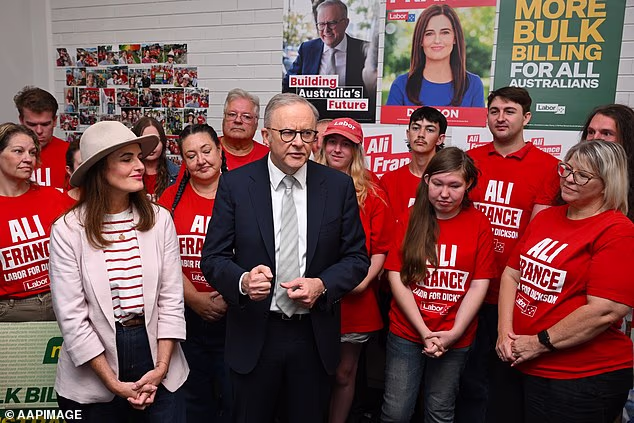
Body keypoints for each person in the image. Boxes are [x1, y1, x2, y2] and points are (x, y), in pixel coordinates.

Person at [200, 93, 369, 423]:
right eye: (288, 133)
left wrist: (322, 285)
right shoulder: (236, 185)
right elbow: (213, 258)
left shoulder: (337, 186)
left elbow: (356, 258)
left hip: (313, 336)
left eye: (307, 133)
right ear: (266, 136)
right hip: (255, 333)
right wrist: (242, 281)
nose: (298, 143)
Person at [48, 121, 188, 422]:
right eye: (127, 159)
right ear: (100, 169)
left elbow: (171, 300)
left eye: (139, 157)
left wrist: (161, 368)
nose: (140, 166)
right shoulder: (68, 230)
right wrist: (113, 383)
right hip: (94, 369)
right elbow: (72, 318)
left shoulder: (160, 220)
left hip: (158, 352)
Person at [496, 140, 634, 423]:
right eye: (566, 169)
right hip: (520, 362)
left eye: (582, 175)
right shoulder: (546, 217)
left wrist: (538, 343)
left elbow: (606, 310)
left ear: (606, 184)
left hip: (578, 377)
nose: (569, 179)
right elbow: (511, 274)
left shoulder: (617, 230)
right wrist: (504, 333)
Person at [455, 87, 561, 423]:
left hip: (513, 296)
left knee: (505, 383)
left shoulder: (548, 167)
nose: (501, 118)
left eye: (510, 111)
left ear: (526, 117)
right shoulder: (468, 160)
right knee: (466, 380)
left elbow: (539, 236)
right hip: (465, 289)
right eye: (495, 111)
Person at [381, 147, 496, 423]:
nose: (444, 193)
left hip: (454, 336)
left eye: (454, 185)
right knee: (396, 412)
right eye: (438, 184)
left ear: (468, 184)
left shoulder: (479, 223)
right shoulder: (410, 218)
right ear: (427, 181)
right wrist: (423, 331)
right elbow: (396, 276)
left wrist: (454, 333)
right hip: (407, 332)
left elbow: (478, 284)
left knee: (439, 411)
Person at [315, 118, 391, 423]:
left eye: (346, 144)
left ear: (356, 150)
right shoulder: (305, 181)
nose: (337, 149)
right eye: (332, 142)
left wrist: (362, 282)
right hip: (312, 297)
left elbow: (381, 248)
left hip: (355, 298)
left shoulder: (372, 190)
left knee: (345, 372)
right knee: (311, 371)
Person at [158, 124, 231, 422]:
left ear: (220, 151)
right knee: (194, 399)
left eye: (206, 151)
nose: (201, 160)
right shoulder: (169, 199)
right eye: (191, 155)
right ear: (183, 161)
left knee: (233, 396)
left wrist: (227, 295)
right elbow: (162, 258)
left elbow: (255, 251)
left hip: (234, 314)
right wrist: (195, 299)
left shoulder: (243, 192)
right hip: (185, 314)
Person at [0, 123, 72, 321]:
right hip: (10, 310)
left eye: (32, 153)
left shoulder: (55, 198)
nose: (28, 159)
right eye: (18, 151)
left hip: (60, 301)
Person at [282, 0, 375, 121]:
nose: (326, 30)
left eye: (332, 23)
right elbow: (288, 85)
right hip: (314, 121)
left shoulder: (364, 50)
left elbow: (372, 94)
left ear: (345, 23)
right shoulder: (307, 49)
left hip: (351, 122)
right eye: (321, 24)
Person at [386, 4, 484, 108]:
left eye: (445, 32)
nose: (437, 40)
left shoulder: (474, 84)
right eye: (429, 33)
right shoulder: (401, 85)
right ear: (420, 40)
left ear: (455, 38)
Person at [379, 106, 446, 220]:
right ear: (408, 134)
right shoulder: (389, 181)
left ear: (440, 139)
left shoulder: (449, 181)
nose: (421, 134)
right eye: (415, 128)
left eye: (429, 130)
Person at [581, 104, 634, 221]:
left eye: (606, 133)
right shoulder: (571, 177)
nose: (595, 138)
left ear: (627, 139)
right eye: (591, 132)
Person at [14, 86, 69, 190]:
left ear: (55, 121)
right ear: (21, 120)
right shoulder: (7, 156)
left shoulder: (70, 154)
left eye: (45, 124)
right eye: (32, 124)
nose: (39, 131)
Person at [220, 88, 269, 170]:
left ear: (256, 122)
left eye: (246, 116)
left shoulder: (268, 156)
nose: (238, 120)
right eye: (232, 114)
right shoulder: (207, 151)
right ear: (224, 118)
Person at [131, 117, 178, 201]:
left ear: (163, 142)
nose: (152, 146)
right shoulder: (127, 173)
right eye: (145, 140)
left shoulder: (176, 173)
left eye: (156, 140)